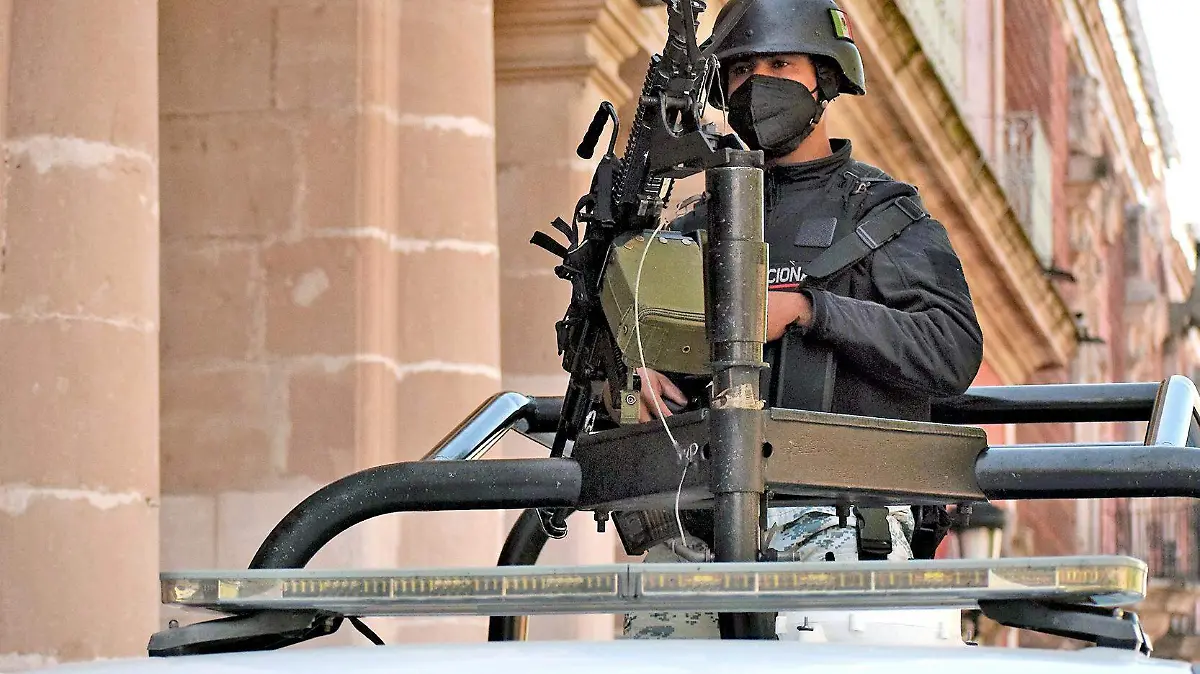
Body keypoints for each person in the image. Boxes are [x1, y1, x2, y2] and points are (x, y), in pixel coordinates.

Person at [621, 0, 985, 639]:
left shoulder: (884, 217)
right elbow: (627, 362)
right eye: (739, 71)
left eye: (779, 63)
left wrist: (809, 311)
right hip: (697, 536)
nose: (757, 84)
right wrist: (638, 382)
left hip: (845, 530)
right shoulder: (690, 230)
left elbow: (952, 351)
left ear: (824, 78)